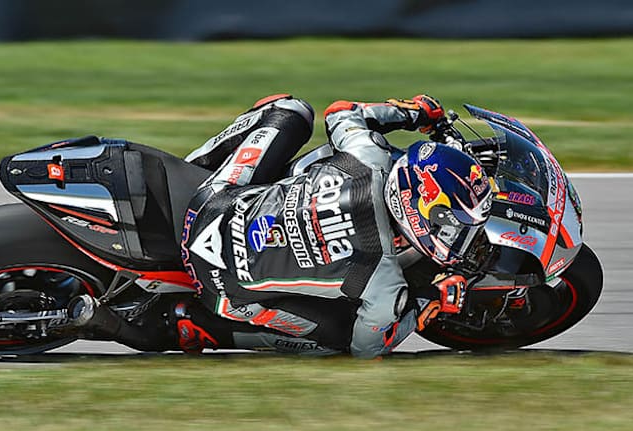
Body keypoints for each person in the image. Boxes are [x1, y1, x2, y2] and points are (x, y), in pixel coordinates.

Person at [178, 93, 492, 358]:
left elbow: (340, 111)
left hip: (211, 203)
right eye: (451, 227)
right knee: (340, 340)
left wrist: (412, 114)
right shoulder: (384, 282)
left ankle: (187, 171)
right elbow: (367, 348)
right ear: (415, 211)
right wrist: (430, 301)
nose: (456, 238)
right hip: (221, 292)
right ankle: (211, 330)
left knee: (290, 109)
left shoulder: (368, 155)